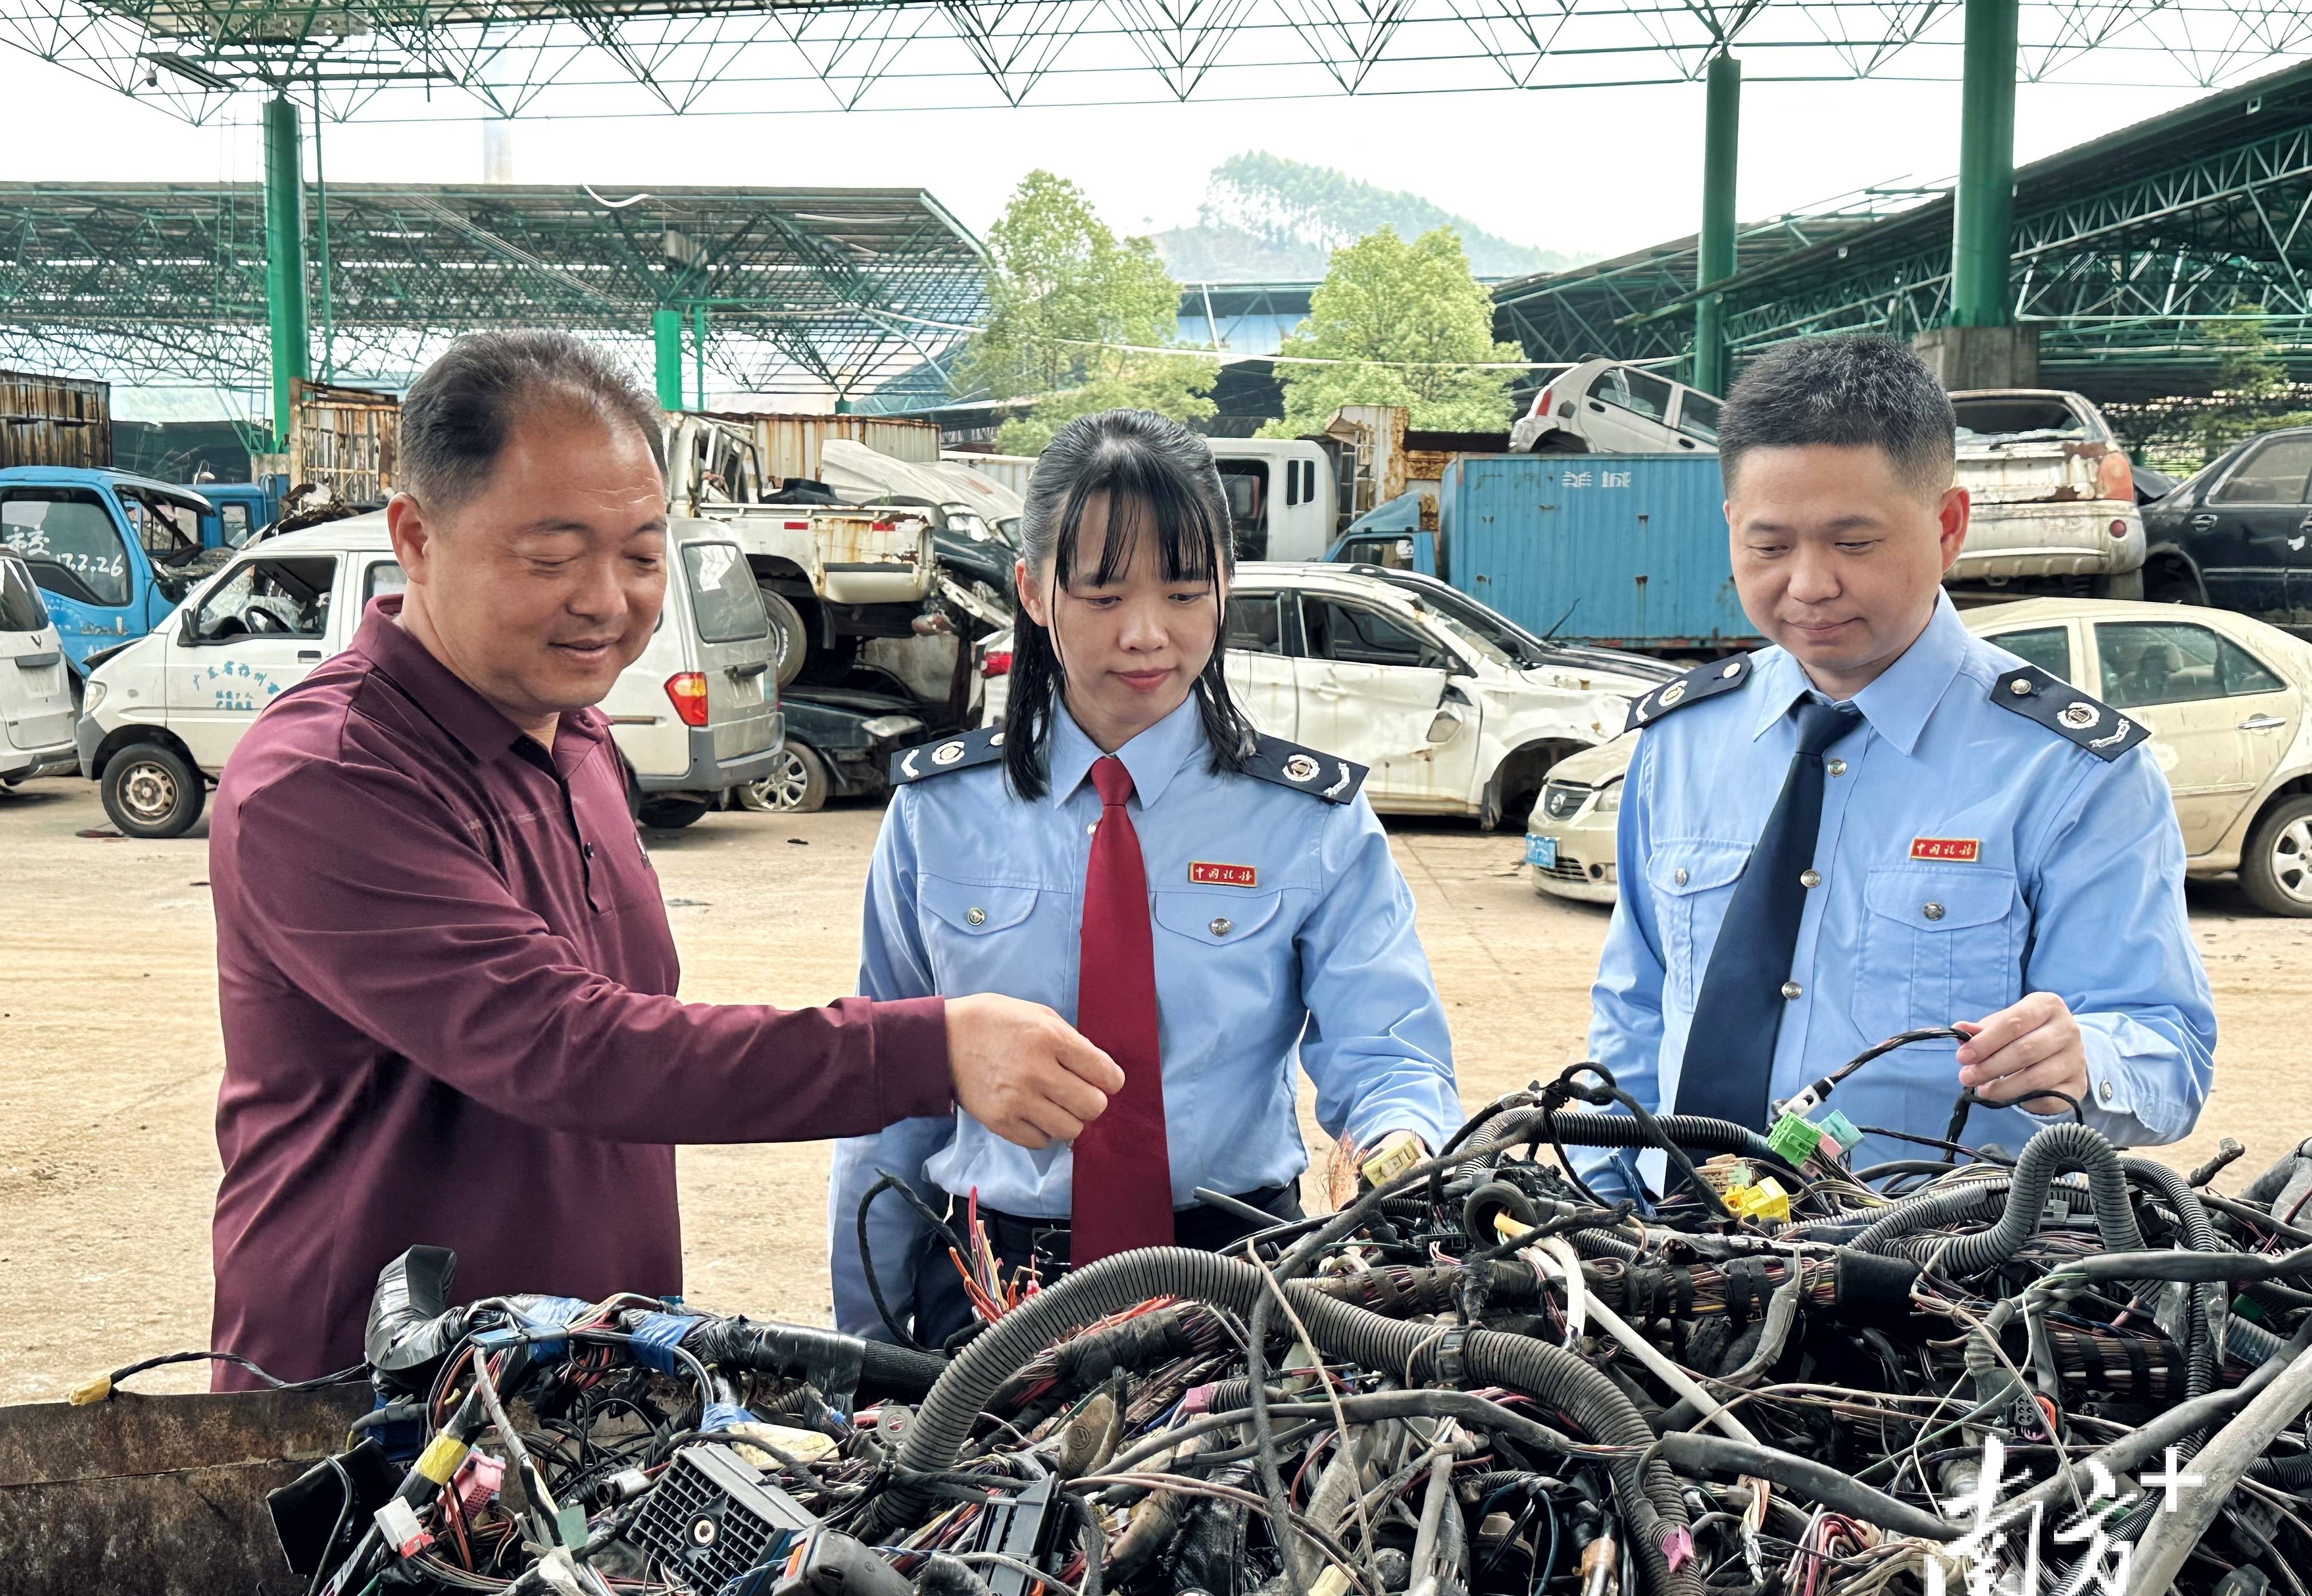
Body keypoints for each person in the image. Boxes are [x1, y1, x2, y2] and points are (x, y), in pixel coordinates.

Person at [207, 331, 1122, 1383]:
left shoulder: (581, 742)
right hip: (372, 1411)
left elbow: (636, 1042)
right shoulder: (326, 779)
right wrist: (927, 1050)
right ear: (415, 536)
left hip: (594, 1378)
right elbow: (568, 1047)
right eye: (552, 558)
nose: (606, 599)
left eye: (641, 554)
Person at [827, 409, 1462, 1346]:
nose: (1146, 634)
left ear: (1225, 587)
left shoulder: (1309, 823)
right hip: (991, 1284)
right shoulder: (940, 813)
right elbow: (889, 1095)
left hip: (1241, 1283)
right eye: (1103, 593)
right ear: (1034, 593)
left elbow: (1388, 1054)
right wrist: (864, 1351)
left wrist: (1399, 1140)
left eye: (1182, 590)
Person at [1585, 335, 2215, 1202]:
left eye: (1854, 542)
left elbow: (2169, 1051)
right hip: (1679, 1264)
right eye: (1770, 548)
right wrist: (1607, 1194)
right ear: (1732, 526)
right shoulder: (1683, 740)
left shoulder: (2068, 774)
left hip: (1938, 1285)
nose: (1809, 585)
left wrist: (2088, 1060)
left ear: (1948, 526)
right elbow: (1636, 1008)